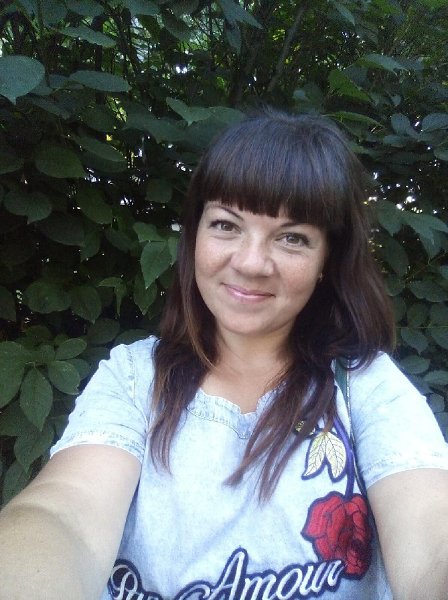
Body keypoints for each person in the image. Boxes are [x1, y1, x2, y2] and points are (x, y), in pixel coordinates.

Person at [1, 109, 448, 600]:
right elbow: (62, 512)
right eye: (226, 225)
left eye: (292, 238)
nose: (251, 263)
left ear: (327, 260)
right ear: (194, 235)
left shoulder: (366, 387)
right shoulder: (133, 378)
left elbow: (433, 532)